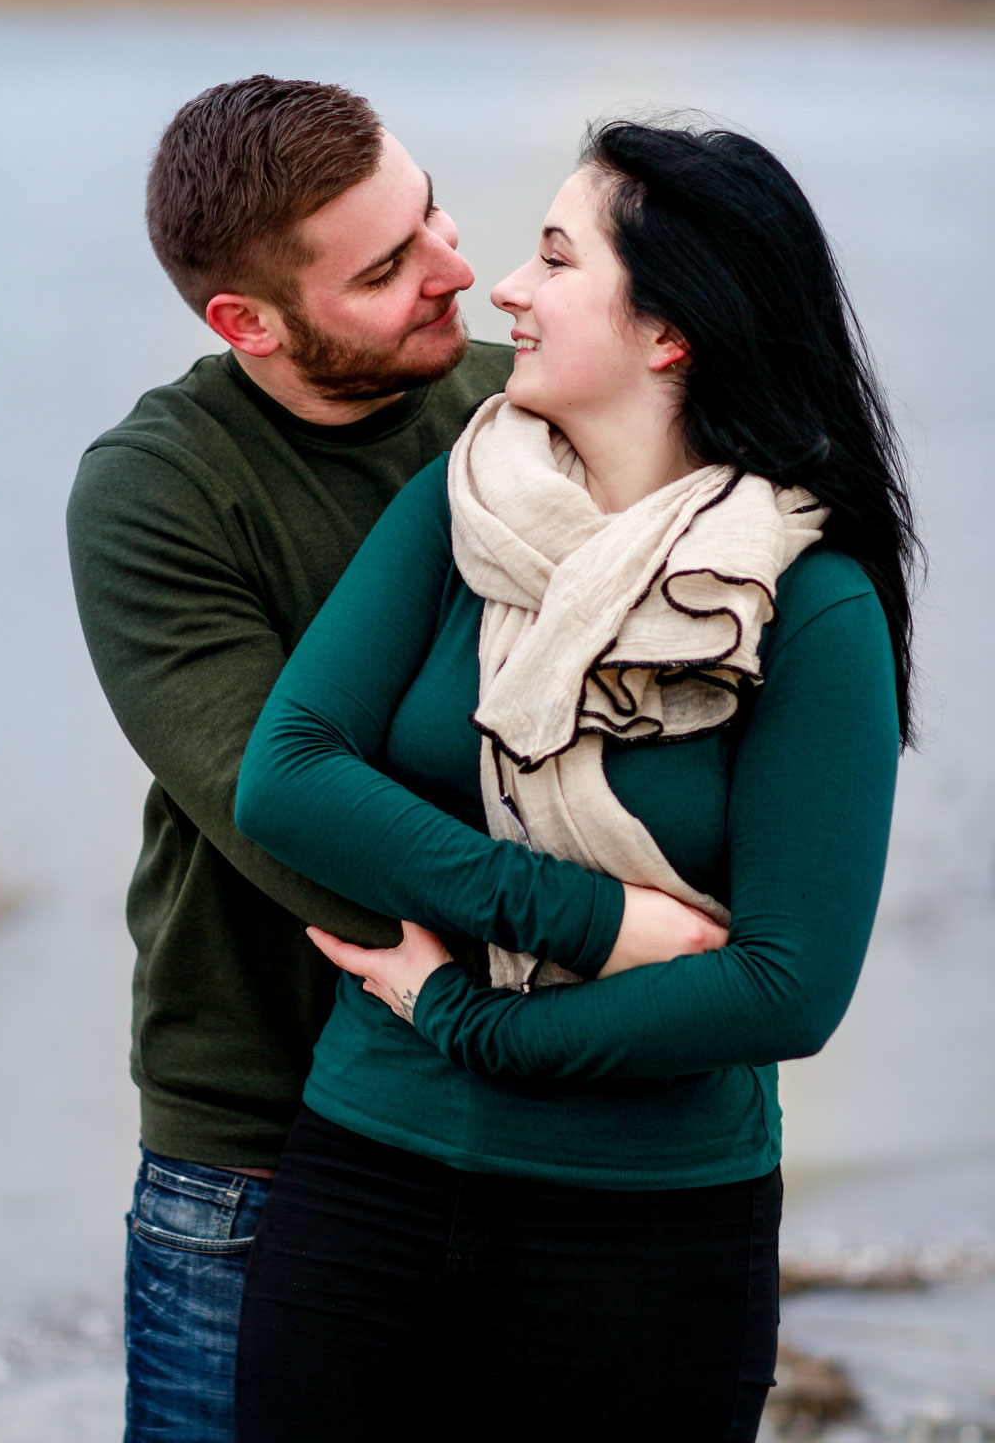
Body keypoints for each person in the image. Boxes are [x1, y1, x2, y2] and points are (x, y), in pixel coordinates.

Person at [232, 119, 918, 1442]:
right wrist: (590, 924)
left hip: (650, 1239)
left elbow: (787, 984)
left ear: (671, 335)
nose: (504, 289)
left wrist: (474, 1024)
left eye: (556, 258)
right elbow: (290, 775)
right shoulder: (460, 503)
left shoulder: (803, 605)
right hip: (364, 1190)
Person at [65, 74, 517, 1443]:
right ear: (245, 323)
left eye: (430, 212)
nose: (458, 272)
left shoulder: (528, 419)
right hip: (256, 1144)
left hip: (534, 1118)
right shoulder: (160, 488)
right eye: (388, 270)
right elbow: (293, 819)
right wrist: (613, 948)